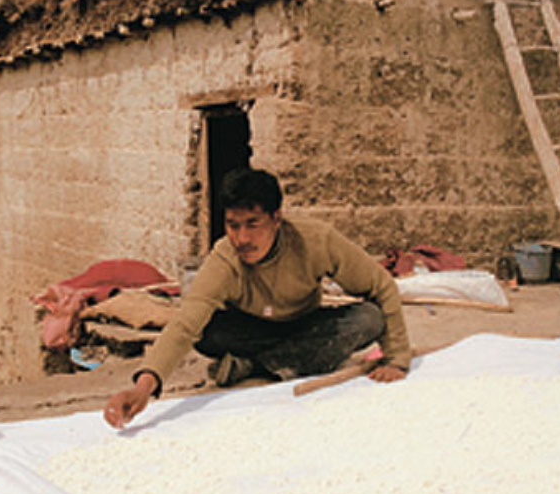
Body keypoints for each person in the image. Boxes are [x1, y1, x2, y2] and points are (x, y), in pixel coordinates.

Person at [104, 168, 411, 428]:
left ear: (276, 219)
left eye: (253, 224)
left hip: (304, 325)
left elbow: (380, 284)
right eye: (233, 226)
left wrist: (397, 359)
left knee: (369, 318)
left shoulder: (316, 240)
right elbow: (185, 325)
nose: (242, 238)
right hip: (250, 331)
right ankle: (279, 363)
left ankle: (255, 366)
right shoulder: (224, 258)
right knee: (207, 331)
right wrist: (143, 387)